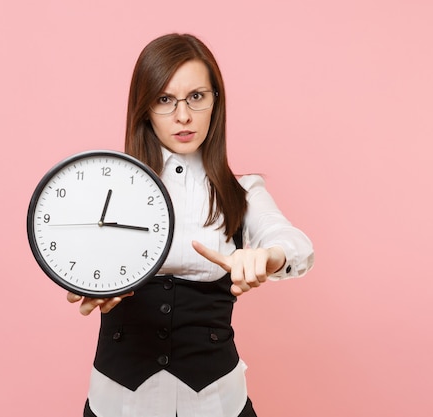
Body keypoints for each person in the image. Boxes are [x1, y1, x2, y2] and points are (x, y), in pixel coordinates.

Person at [66, 33, 314, 417]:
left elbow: (291, 241)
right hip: (118, 403)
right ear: (144, 108)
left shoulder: (242, 192)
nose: (183, 116)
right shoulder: (107, 189)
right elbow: (76, 255)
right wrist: (90, 285)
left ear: (216, 101)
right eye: (165, 100)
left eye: (196, 96)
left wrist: (269, 256)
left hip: (217, 403)